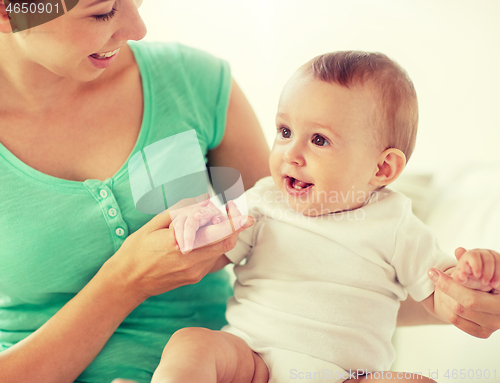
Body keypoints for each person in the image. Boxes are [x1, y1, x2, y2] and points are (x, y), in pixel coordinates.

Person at [0, 1, 498, 382]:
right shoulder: (267, 201)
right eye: (103, 10)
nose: (137, 27)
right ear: (9, 12)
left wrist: (464, 298)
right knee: (193, 345)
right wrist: (127, 278)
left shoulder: (195, 85)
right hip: (237, 359)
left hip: (321, 369)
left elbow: (297, 256)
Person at [153, 51, 500, 383]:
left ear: (382, 168)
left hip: (349, 376)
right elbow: (211, 257)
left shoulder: (396, 223)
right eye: (285, 132)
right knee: (193, 343)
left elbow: (438, 292)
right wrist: (198, 225)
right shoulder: (264, 200)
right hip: (252, 360)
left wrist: (470, 277)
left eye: (319, 140)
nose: (291, 153)